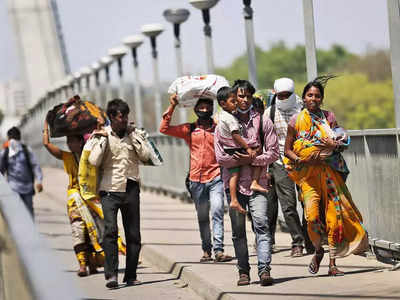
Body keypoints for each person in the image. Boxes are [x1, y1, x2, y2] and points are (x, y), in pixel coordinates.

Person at [283, 76, 368, 276]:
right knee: (312, 217)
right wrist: (302, 160)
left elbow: (341, 143)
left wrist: (334, 145)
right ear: (303, 98)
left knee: (334, 217)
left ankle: (332, 263)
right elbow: (287, 150)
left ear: (322, 99)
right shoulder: (296, 121)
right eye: (309, 95)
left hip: (330, 175)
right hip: (308, 177)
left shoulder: (329, 118)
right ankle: (319, 250)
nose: (313, 98)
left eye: (317, 96)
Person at [215, 79, 279, 286]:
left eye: (247, 96)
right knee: (238, 232)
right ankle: (243, 271)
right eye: (239, 96)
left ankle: (264, 269)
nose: (243, 100)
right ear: (233, 99)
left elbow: (273, 153)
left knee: (261, 224)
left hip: (257, 182)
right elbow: (221, 158)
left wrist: (254, 159)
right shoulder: (223, 123)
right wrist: (246, 158)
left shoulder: (263, 122)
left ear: (252, 98)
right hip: (233, 186)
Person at [159, 94, 233, 263]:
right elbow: (164, 128)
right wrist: (172, 106)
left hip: (215, 177)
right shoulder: (189, 129)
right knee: (202, 217)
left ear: (212, 109)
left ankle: (219, 250)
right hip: (196, 180)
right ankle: (206, 250)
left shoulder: (219, 129)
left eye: (208, 107)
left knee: (217, 211)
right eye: (201, 107)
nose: (204, 110)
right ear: (195, 109)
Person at [88, 99, 150, 288]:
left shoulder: (136, 134)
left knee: (134, 235)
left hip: (131, 188)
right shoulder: (101, 135)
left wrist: (134, 137)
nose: (124, 120)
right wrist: (102, 139)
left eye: (125, 116)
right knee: (110, 232)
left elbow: (146, 156)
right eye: (120, 117)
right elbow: (93, 161)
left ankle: (130, 275)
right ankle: (111, 275)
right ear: (112, 118)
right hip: (110, 191)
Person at [42, 119, 107, 277]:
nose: (69, 144)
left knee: (94, 232)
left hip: (92, 199)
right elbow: (47, 145)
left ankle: (92, 263)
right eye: (68, 141)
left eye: (72, 141)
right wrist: (45, 126)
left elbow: (101, 143)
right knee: (78, 230)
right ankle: (82, 265)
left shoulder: (92, 155)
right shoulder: (67, 157)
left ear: (80, 142)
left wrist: (99, 127)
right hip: (75, 200)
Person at [263, 78, 309, 257]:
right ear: (275, 94)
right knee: (288, 206)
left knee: (308, 203)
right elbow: (265, 142)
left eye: (286, 95)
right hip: (281, 163)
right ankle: (297, 242)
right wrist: (267, 169)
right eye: (280, 95)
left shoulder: (303, 109)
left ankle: (310, 237)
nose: (283, 98)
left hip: (304, 163)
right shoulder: (270, 113)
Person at [216, 86, 267, 215]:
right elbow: (236, 136)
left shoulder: (222, 115)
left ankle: (233, 200)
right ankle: (254, 182)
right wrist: (248, 148)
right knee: (257, 155)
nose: (238, 103)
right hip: (235, 149)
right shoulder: (230, 118)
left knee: (234, 175)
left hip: (229, 150)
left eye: (248, 97)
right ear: (223, 104)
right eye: (234, 101)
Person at [0, 126, 43, 217]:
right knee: (15, 214)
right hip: (13, 188)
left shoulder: (27, 151)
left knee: (29, 213)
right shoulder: (5, 153)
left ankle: (30, 230)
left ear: (19, 138)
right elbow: (1, 170)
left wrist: (39, 181)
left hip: (27, 188)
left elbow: (35, 165)